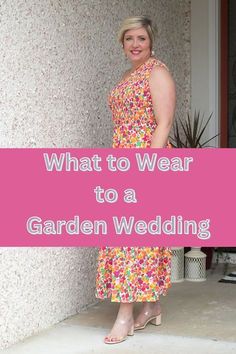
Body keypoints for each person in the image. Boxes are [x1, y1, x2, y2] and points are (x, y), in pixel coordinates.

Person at [95, 15, 176, 344]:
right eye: (129, 39)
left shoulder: (157, 72)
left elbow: (164, 123)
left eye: (141, 38)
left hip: (146, 163)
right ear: (122, 43)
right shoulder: (129, 75)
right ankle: (151, 307)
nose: (135, 44)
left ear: (151, 40)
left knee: (131, 240)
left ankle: (125, 316)